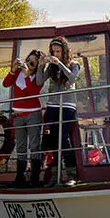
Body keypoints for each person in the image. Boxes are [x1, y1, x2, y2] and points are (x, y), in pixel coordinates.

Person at [36, 36, 80, 186]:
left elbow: (72, 78)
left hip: (67, 105)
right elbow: (39, 81)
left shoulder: (74, 64)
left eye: (59, 51)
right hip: (53, 105)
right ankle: (55, 176)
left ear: (65, 51)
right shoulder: (51, 68)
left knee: (63, 138)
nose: (55, 54)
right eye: (53, 51)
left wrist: (60, 63)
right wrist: (41, 66)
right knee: (52, 139)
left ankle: (71, 174)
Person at [1, 49, 44, 187]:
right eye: (27, 60)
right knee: (20, 146)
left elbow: (33, 92)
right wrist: (13, 70)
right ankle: (20, 177)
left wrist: (26, 75)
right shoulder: (18, 73)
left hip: (33, 114)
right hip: (18, 115)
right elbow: (6, 83)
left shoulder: (38, 77)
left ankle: (35, 178)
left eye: (32, 63)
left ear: (37, 66)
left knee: (34, 145)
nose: (29, 64)